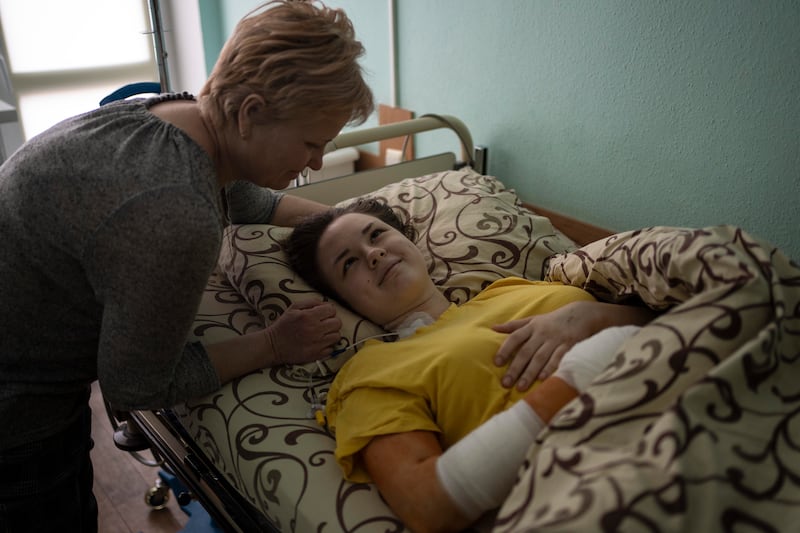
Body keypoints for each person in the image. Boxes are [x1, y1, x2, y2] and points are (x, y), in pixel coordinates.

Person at [0, 1, 373, 531]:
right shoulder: (175, 212)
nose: (316, 162)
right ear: (249, 114)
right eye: (312, 143)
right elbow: (134, 386)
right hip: (17, 419)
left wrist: (347, 221)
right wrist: (274, 344)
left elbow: (246, 200)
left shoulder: (168, 113)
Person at [283, 198, 657, 532]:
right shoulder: (370, 371)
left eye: (377, 235)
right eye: (349, 263)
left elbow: (666, 321)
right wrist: (585, 369)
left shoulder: (514, 288)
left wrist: (590, 317)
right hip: (613, 475)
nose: (373, 254)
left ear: (409, 241)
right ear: (343, 302)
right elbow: (427, 505)